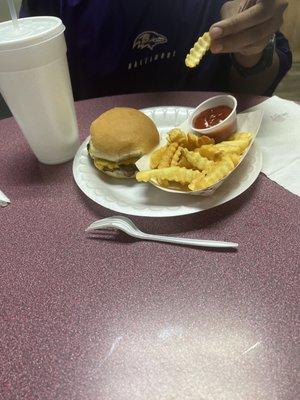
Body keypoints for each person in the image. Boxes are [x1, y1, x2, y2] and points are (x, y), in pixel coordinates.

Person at [20, 0, 292, 101]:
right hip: (89, 168)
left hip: (219, 148)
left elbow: (258, 87)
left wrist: (251, 49)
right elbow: (35, 95)